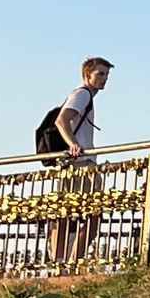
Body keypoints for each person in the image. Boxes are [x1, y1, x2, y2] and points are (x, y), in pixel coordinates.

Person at [50, 57, 111, 265]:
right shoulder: (82, 94)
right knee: (94, 212)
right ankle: (73, 260)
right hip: (81, 163)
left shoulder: (84, 96)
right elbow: (61, 120)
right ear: (88, 75)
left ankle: (60, 261)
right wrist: (74, 144)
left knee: (66, 213)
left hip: (75, 163)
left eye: (106, 75)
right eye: (100, 74)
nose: (104, 79)